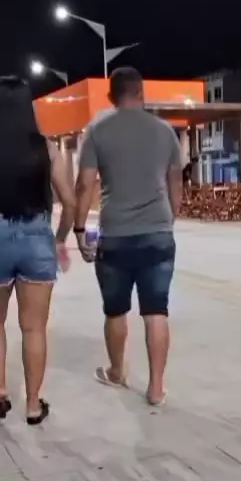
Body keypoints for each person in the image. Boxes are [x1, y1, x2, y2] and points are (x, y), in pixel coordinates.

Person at [74, 67, 183, 406]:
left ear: (111, 96)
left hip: (115, 236)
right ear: (142, 93)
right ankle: (156, 388)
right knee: (157, 311)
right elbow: (176, 182)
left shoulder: (97, 130)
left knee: (115, 310)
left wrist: (79, 228)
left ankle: (117, 371)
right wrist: (170, 217)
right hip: (158, 233)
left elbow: (84, 184)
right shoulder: (165, 131)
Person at [0, 76, 74, 424]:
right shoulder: (46, 148)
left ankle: (0, 393)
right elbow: (69, 201)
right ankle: (32, 405)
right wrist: (60, 238)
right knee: (34, 329)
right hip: (36, 238)